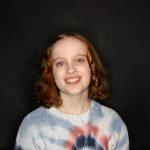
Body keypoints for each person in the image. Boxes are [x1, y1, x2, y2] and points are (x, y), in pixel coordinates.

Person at [15, 32, 129, 150]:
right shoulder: (32, 126)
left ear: (92, 67)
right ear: (50, 73)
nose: (70, 69)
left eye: (79, 60)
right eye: (60, 63)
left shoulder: (113, 123)